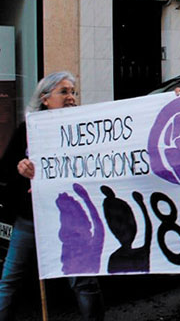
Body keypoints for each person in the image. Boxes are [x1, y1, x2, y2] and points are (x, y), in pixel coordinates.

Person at [0, 72, 105, 321]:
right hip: (32, 219)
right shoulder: (28, 130)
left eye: (73, 92)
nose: (71, 97)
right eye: (64, 92)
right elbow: (4, 172)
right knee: (9, 281)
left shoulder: (84, 128)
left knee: (83, 282)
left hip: (72, 219)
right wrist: (20, 170)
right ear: (45, 99)